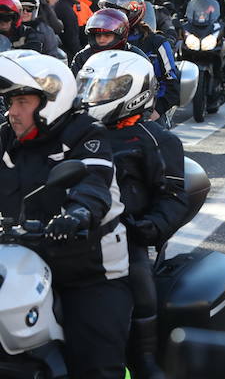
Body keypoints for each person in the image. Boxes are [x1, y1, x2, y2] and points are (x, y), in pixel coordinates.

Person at [0, 53, 131, 378]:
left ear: (50, 100)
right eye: (9, 102)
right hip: (20, 266)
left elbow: (92, 185)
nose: (11, 111)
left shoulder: (86, 134)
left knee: (95, 365)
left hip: (86, 271)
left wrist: (76, 215)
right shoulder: (6, 134)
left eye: (20, 101)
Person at [76, 50, 188, 379]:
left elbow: (172, 197)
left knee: (137, 276)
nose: (98, 95)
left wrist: (148, 228)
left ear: (136, 91)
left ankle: (145, 362)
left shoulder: (157, 139)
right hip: (74, 230)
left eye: (109, 89)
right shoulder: (74, 132)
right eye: (93, 87)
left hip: (127, 235)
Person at [100, 0, 182, 117]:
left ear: (133, 13)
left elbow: (171, 84)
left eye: (118, 12)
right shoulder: (100, 41)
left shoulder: (157, 43)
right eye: (109, 11)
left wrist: (156, 111)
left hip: (144, 111)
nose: (112, 17)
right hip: (104, 110)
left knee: (157, 136)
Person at [70, 8, 149, 75]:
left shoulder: (135, 56)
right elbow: (74, 85)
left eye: (107, 36)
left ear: (120, 35)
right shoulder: (82, 57)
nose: (101, 40)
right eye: (98, 35)